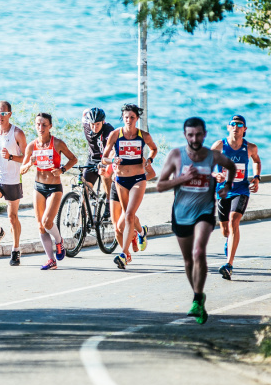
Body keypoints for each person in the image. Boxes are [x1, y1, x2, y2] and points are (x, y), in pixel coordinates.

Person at [156, 117, 236, 324]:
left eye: (198, 134)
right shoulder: (176, 155)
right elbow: (160, 185)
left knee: (198, 251)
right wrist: (183, 178)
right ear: (185, 135)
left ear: (205, 134)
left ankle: (197, 299)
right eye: (190, 134)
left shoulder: (212, 156)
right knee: (188, 260)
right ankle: (198, 296)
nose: (194, 138)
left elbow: (231, 166)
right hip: (181, 213)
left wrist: (227, 186)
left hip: (204, 211)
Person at [101, 104, 158, 269]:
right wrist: (113, 161)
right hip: (120, 180)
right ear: (122, 118)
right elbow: (104, 158)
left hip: (138, 179)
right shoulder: (115, 134)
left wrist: (150, 160)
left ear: (137, 118)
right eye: (126, 117)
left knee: (129, 216)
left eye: (132, 117)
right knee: (127, 217)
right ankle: (141, 232)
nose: (129, 120)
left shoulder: (143, 136)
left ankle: (124, 254)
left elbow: (154, 149)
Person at [20, 113, 77, 269]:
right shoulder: (32, 146)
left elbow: (73, 159)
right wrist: (29, 164)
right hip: (38, 187)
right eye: (38, 124)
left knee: (47, 222)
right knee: (40, 226)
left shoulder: (57, 143)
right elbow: (22, 169)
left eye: (44, 125)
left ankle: (59, 241)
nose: (41, 128)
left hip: (54, 188)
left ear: (50, 126)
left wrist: (62, 170)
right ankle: (51, 260)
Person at [211, 114, 262, 280]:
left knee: (234, 221)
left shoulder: (250, 147)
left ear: (244, 129)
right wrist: (215, 174)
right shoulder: (219, 145)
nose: (236, 127)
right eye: (233, 124)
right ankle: (229, 242)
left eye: (240, 125)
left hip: (241, 190)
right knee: (225, 230)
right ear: (228, 127)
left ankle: (229, 265)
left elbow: (256, 161)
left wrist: (257, 176)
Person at [0, 101, 28, 266]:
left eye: (3, 114)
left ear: (9, 114)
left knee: (12, 217)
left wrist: (10, 157)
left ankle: (16, 250)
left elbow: (26, 157)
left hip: (13, 179)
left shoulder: (18, 133)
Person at [81, 107, 115, 199]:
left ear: (103, 122)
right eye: (92, 124)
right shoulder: (86, 125)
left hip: (106, 160)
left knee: (105, 176)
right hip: (92, 159)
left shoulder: (109, 130)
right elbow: (84, 112)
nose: (95, 127)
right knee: (84, 188)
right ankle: (84, 212)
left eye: (98, 124)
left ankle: (109, 204)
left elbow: (113, 150)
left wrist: (107, 163)